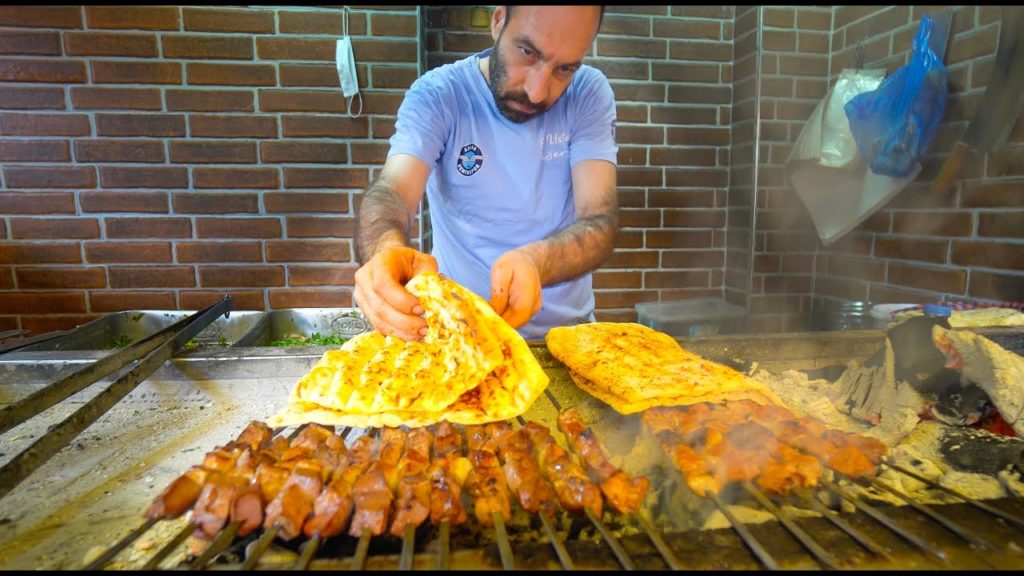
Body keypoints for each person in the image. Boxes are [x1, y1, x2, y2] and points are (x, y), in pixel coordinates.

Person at [353, 5, 618, 342]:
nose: (537, 91)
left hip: (566, 340)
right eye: (527, 52)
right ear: (498, 21)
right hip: (459, 340)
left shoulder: (588, 93)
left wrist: (538, 260)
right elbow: (391, 193)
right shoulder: (440, 94)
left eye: (564, 69)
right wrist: (384, 249)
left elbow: (600, 221)